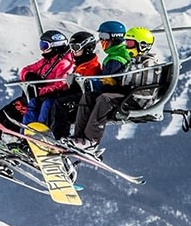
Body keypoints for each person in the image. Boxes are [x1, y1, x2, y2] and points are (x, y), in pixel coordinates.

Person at [68, 22, 160, 150]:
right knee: (89, 96)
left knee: (104, 99)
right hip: (127, 94)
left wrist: (113, 85)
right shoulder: (134, 61)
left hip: (136, 99)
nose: (127, 47)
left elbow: (141, 86)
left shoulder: (148, 63)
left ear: (143, 45)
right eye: (126, 43)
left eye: (130, 43)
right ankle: (78, 137)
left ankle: (91, 140)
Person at [0, 30, 74, 143]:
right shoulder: (46, 61)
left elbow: (61, 84)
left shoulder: (64, 63)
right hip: (36, 96)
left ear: (56, 46)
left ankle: (29, 138)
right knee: (5, 112)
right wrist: (29, 75)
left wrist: (39, 90)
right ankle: (0, 138)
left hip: (48, 97)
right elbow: (25, 70)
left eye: (45, 45)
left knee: (23, 112)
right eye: (41, 45)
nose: (42, 49)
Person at [48, 30, 103, 139]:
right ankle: (49, 132)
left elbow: (86, 86)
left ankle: (60, 136)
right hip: (81, 94)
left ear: (88, 48)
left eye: (76, 48)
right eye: (71, 48)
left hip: (87, 96)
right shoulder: (81, 64)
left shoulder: (92, 65)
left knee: (60, 103)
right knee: (53, 100)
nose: (73, 52)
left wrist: (74, 82)